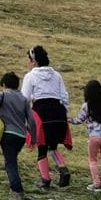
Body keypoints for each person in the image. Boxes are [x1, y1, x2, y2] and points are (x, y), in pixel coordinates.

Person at [21, 45, 72, 190]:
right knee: (53, 146)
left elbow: (25, 98)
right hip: (58, 113)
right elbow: (64, 96)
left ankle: (45, 179)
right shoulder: (57, 75)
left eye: (29, 60)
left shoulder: (30, 76)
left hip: (41, 114)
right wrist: (64, 112)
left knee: (41, 148)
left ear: (34, 61)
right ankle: (63, 169)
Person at [0, 72, 33, 200]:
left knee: (10, 163)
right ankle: (19, 191)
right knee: (13, 160)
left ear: (5, 85)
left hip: (7, 134)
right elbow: (31, 121)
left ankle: (16, 191)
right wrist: (34, 137)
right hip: (21, 136)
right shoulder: (24, 99)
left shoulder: (4, 95)